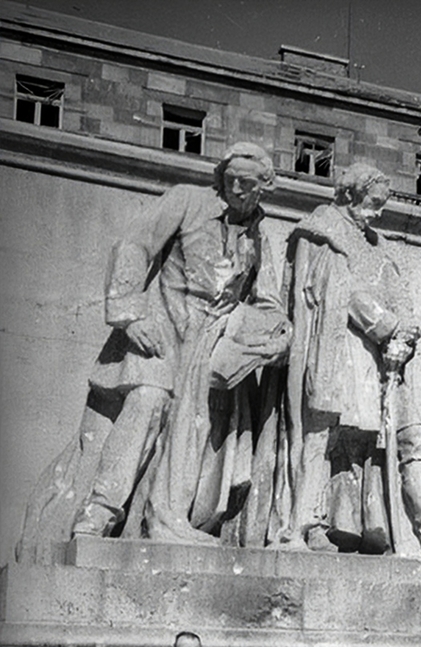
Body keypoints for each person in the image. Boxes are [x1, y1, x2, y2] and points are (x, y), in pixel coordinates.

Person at [18, 143, 288, 552]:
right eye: (229, 176)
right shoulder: (187, 200)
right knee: (148, 401)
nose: (235, 186)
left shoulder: (257, 236)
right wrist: (130, 313)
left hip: (208, 344)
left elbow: (266, 302)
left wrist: (262, 333)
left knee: (194, 427)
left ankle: (168, 518)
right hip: (161, 329)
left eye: (246, 182)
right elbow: (134, 244)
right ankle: (98, 513)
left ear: (263, 187)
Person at [273, 161, 421, 559]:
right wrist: (391, 328)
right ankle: (312, 524)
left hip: (387, 365)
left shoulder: (381, 247)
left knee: (411, 438)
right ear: (350, 195)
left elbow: (401, 301)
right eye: (374, 203)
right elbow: (339, 292)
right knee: (328, 438)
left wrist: (406, 337)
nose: (379, 213)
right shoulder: (322, 231)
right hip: (338, 351)